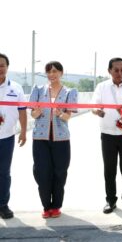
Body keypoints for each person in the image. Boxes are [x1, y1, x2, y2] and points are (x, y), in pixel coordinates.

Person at [29, 61, 77, 218]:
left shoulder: (70, 92)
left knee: (60, 172)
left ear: (61, 73)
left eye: (55, 71)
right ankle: (46, 206)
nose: (52, 74)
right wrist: (37, 112)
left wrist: (59, 114)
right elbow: (33, 115)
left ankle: (56, 206)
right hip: (40, 138)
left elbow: (67, 116)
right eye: (49, 72)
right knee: (42, 172)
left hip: (61, 139)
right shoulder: (38, 90)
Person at [91, 57, 122, 214]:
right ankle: (110, 201)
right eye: (116, 70)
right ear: (109, 71)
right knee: (109, 169)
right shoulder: (101, 87)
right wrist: (97, 110)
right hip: (108, 134)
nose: (119, 73)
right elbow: (94, 105)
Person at [0, 53, 27, 219]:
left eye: (2, 65)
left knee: (4, 172)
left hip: (7, 137)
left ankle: (3, 205)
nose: (0, 68)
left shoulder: (16, 88)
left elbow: (22, 111)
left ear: (7, 67)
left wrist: (23, 131)